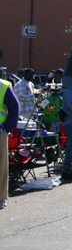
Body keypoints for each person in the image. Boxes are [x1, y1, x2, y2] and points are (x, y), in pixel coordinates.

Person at [1, 77, 21, 209]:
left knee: (1, 165)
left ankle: (1, 197)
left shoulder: (2, 86)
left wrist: (7, 127)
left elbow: (15, 107)